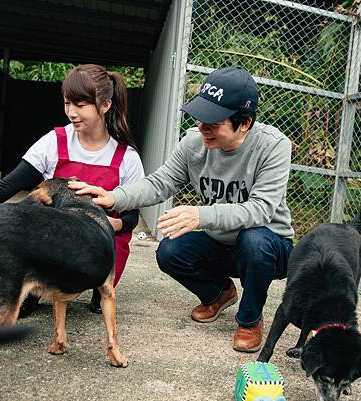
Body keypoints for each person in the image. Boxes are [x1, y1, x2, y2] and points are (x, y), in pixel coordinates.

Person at [72, 66, 294, 352]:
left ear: (244, 123)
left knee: (254, 239)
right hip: (221, 242)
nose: (202, 127)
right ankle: (218, 293)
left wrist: (200, 215)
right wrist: (114, 198)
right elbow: (160, 183)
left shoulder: (273, 146)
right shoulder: (194, 141)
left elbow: (261, 209)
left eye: (213, 122)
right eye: (200, 118)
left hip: (269, 248)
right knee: (169, 250)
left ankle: (249, 320)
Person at [0, 64, 144, 316]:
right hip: (58, 238)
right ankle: (33, 287)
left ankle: (97, 287)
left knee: (101, 294)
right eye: (67, 103)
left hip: (99, 243)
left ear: (105, 105)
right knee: (25, 216)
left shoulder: (126, 157)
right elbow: (4, 188)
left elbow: (131, 217)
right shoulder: (54, 142)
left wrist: (108, 224)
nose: (71, 113)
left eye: (80, 105)